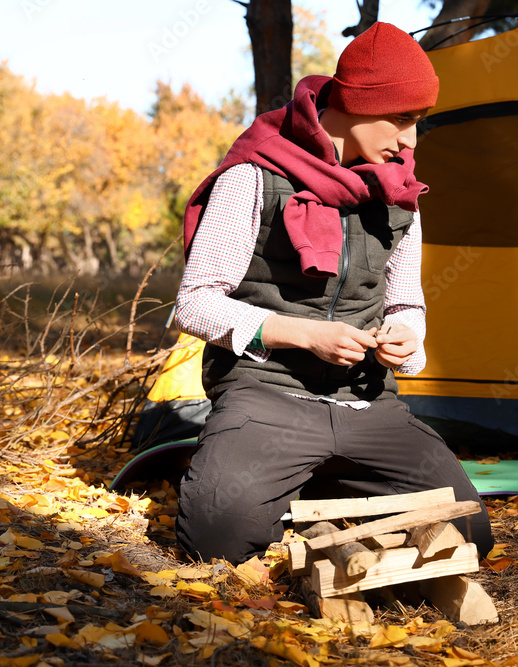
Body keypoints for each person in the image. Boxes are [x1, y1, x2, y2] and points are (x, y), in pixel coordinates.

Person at [174, 22, 494, 564]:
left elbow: (406, 303)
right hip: (266, 396)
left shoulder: (401, 195)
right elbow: (196, 301)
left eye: (418, 122)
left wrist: (406, 336)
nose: (410, 140)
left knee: (467, 534)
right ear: (355, 105)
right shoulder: (254, 176)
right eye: (402, 119)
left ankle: (312, 483)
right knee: (217, 538)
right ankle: (288, 477)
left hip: (366, 403)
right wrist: (305, 335)